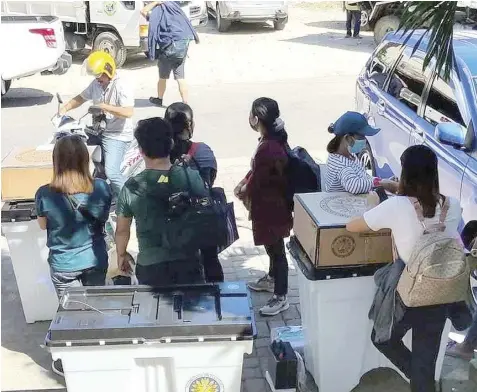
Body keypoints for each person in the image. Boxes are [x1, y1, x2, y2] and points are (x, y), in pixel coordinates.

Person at [347, 145, 463, 392]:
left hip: (409, 291)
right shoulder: (452, 205)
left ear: (406, 174)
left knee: (383, 338)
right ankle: (422, 381)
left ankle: (420, 379)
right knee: (426, 358)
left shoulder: (397, 207)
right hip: (442, 293)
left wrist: (373, 204)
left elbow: (352, 227)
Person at [35, 135, 112, 377]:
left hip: (64, 263)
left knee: (72, 314)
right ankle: (100, 356)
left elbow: (41, 225)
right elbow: (104, 217)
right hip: (95, 259)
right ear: (85, 159)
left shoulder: (44, 194)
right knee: (95, 309)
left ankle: (75, 361)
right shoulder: (101, 187)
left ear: (56, 161)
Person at [115, 117, 209, 286]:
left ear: (141, 150)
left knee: (155, 311)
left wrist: (121, 254)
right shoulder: (190, 176)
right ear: (171, 143)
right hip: (188, 262)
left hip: (151, 266)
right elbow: (205, 207)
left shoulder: (131, 186)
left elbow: (122, 230)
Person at [235, 98, 292, 316]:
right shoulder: (270, 140)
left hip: (272, 208)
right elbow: (256, 173)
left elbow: (258, 181)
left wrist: (243, 191)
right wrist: (244, 182)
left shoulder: (268, 147)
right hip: (272, 206)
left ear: (256, 119)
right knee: (271, 247)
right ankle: (271, 278)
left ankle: (281, 295)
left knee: (277, 251)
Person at [58, 51, 134, 198]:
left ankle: (129, 201)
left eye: (100, 76)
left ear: (109, 71)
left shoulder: (121, 86)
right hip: (100, 131)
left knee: (112, 172)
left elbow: (128, 112)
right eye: (96, 76)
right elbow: (81, 97)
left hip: (117, 135)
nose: (98, 79)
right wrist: (65, 108)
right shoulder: (96, 84)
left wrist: (105, 107)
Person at [165, 102, 223, 283]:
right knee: (211, 260)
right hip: (204, 218)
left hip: (176, 225)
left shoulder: (160, 155)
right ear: (190, 126)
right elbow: (209, 181)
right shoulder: (203, 151)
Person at [325, 111, 398, 195]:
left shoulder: (349, 155)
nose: (364, 140)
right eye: (361, 136)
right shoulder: (340, 164)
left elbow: (361, 177)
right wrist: (382, 183)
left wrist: (384, 181)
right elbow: (354, 186)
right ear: (348, 138)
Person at [142, 1, 199, 106]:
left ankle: (159, 99)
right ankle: (185, 102)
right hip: (182, 47)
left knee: (162, 77)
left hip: (169, 49)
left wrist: (155, 2)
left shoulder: (158, 11)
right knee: (180, 78)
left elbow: (143, 11)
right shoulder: (176, 10)